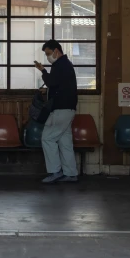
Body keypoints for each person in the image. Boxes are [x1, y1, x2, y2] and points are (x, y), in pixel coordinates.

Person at [34, 40, 78, 183]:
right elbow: (59, 85)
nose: (48, 57)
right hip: (68, 109)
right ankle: (71, 173)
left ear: (56, 51)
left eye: (48, 53)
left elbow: (52, 82)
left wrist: (43, 71)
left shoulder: (59, 65)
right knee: (65, 141)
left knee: (48, 138)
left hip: (60, 109)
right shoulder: (66, 64)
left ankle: (55, 172)